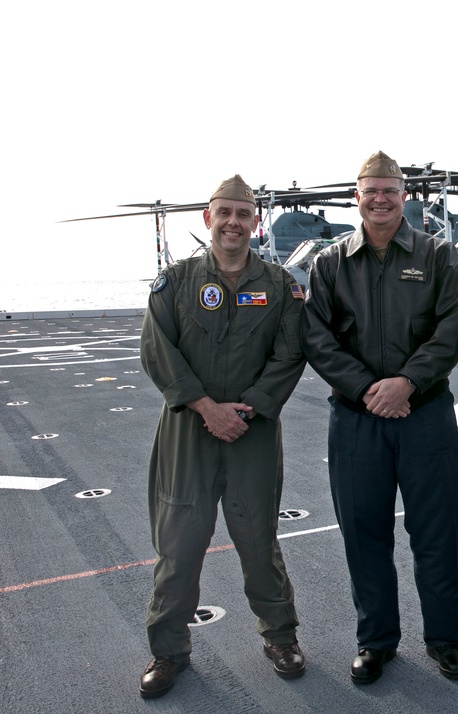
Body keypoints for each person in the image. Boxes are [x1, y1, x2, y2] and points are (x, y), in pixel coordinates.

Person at [301, 151, 458, 683]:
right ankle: (376, 641)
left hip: (424, 415)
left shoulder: (438, 256)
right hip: (356, 420)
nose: (380, 199)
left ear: (404, 197)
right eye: (370, 190)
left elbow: (453, 328)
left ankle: (446, 640)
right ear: (357, 197)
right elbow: (316, 336)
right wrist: (366, 388)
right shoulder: (330, 264)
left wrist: (408, 382)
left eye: (389, 191)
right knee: (363, 533)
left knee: (437, 534)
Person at [138, 174, 307, 699]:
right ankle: (168, 652)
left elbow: (289, 355)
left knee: (258, 540)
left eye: (244, 213)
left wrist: (247, 411)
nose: (234, 222)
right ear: (208, 219)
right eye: (225, 212)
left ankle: (279, 638)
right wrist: (207, 408)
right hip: (189, 429)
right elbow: (157, 350)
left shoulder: (280, 286)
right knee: (179, 545)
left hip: (252, 433)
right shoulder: (177, 281)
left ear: (255, 223)